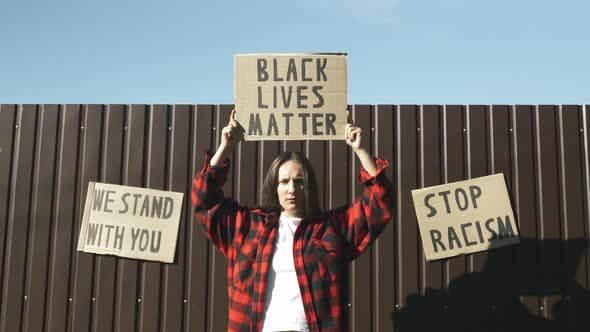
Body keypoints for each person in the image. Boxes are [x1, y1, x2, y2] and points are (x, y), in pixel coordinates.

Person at [192, 110, 394, 332]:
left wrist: (360, 150)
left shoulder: (330, 229)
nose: (291, 189)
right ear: (274, 186)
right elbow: (203, 198)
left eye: (299, 181)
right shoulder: (247, 228)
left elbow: (380, 203)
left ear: (309, 186)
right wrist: (226, 147)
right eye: (284, 181)